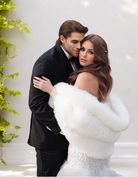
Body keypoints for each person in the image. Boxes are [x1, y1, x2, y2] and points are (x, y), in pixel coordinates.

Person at [33, 34, 130, 176]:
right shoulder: (104, 77)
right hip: (96, 149)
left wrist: (53, 91)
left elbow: (74, 116)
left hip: (83, 148)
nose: (83, 55)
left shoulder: (85, 76)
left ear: (98, 56)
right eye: (83, 49)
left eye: (91, 52)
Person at [28, 20, 88, 176]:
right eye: (74, 42)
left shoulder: (80, 59)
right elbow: (36, 104)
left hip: (73, 138)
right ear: (62, 39)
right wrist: (62, 128)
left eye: (81, 42)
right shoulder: (45, 62)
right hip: (50, 137)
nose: (78, 46)